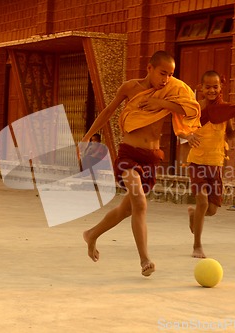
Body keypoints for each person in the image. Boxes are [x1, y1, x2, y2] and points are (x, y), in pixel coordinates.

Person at [81, 51, 200, 277]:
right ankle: (145, 259)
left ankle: (92, 234)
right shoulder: (130, 88)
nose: (166, 79)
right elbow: (108, 111)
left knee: (127, 209)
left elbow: (188, 109)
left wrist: (159, 101)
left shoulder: (171, 91)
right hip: (129, 153)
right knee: (141, 204)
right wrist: (88, 136)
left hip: (152, 158)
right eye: (162, 73)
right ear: (149, 68)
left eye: (170, 74)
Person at [181, 70, 235, 258]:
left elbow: (229, 135)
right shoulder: (196, 108)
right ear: (201, 88)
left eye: (215, 86)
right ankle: (197, 245)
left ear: (220, 87)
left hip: (216, 164)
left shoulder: (225, 111)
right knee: (202, 200)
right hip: (197, 161)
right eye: (208, 87)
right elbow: (182, 129)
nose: (212, 90)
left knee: (212, 209)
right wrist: (188, 136)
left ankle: (193, 215)